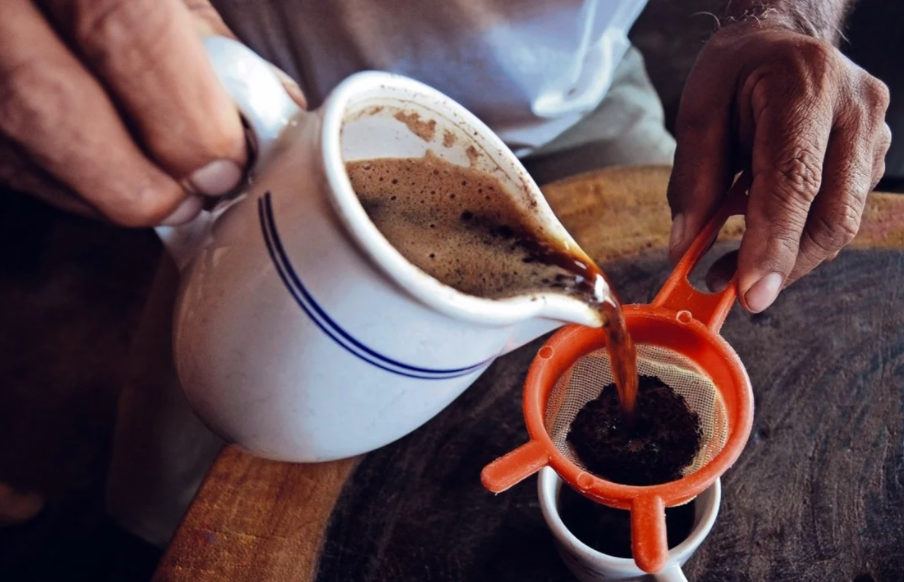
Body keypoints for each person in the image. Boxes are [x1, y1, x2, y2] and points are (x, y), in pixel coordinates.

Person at [0, 0, 891, 542]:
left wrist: (783, 21)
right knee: (178, 487)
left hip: (573, 94)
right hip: (281, 121)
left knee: (630, 270)